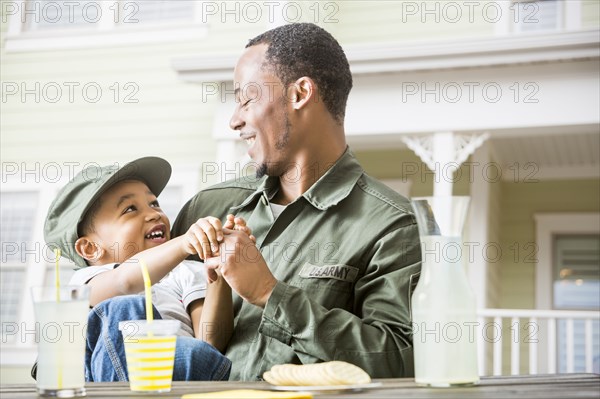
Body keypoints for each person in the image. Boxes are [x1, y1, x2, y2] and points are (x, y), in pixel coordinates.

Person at [171, 23, 422, 380]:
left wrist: (269, 294)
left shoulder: (392, 226)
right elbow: (117, 279)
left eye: (247, 98)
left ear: (300, 93)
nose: (234, 119)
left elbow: (401, 360)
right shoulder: (210, 207)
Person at [43, 157, 252, 382]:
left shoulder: (188, 270)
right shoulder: (88, 280)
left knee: (198, 352)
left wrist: (218, 271)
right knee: (126, 307)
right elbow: (126, 280)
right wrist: (184, 242)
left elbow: (210, 341)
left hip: (173, 369)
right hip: (108, 370)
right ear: (90, 248)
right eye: (130, 209)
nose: (154, 214)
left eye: (154, 204)